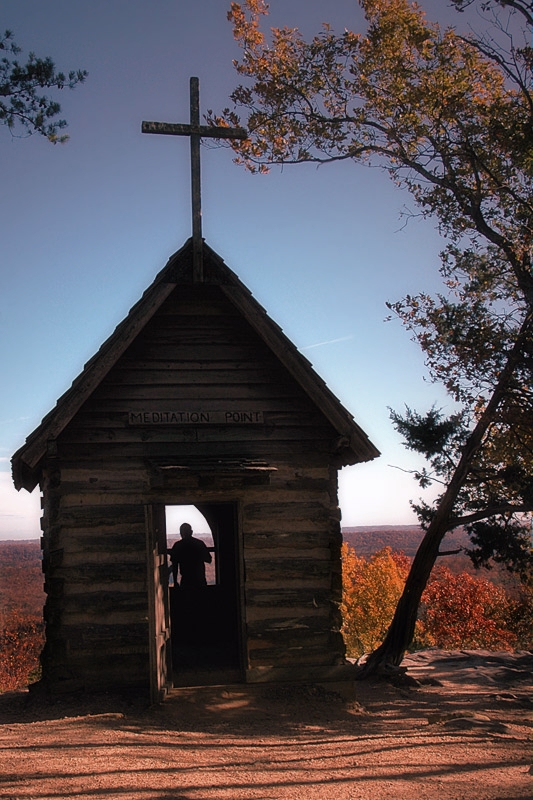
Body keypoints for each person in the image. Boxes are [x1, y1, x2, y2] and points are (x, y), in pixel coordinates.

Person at [168, 522, 212, 589]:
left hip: (186, 580)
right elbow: (209, 559)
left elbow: (175, 566)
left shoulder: (178, 545)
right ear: (191, 532)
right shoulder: (199, 544)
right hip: (200, 580)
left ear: (181, 533)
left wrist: (175, 582)